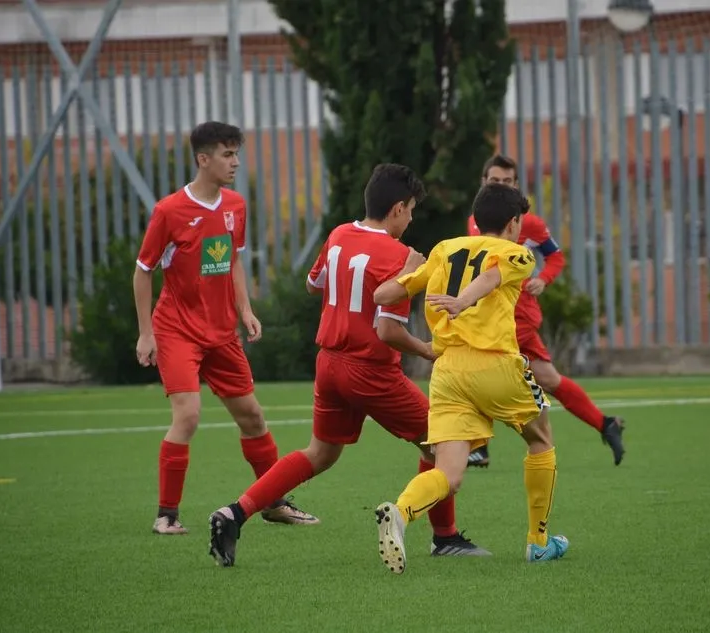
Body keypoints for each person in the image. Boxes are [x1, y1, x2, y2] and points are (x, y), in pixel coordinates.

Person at [207, 163, 490, 566]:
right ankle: (444, 536)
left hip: (328, 364)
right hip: (370, 370)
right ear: (396, 208)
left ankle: (234, 514)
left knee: (320, 453)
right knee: (442, 438)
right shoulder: (399, 257)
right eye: (410, 210)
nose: (410, 219)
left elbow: (312, 284)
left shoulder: (340, 233)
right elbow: (388, 332)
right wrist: (427, 349)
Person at [372, 183, 569, 575]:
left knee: (448, 472)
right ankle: (539, 543)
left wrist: (397, 281)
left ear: (477, 220)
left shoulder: (445, 249)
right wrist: (463, 301)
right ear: (515, 223)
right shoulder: (516, 253)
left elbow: (385, 294)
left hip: (447, 372)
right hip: (495, 364)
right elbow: (492, 278)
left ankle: (401, 512)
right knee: (541, 439)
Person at [134, 121, 318, 534]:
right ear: (203, 159)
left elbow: (232, 259)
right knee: (189, 415)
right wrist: (146, 333)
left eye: (236, 153)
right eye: (227, 154)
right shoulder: (169, 211)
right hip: (176, 330)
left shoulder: (235, 205)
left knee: (253, 417)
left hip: (221, 333)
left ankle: (273, 502)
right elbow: (142, 272)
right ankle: (167, 515)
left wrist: (246, 310)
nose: (235, 162)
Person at [465, 154, 625, 469]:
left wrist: (542, 279)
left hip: (517, 317)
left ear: (516, 185)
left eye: (507, 182)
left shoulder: (528, 223)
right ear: (484, 183)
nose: (501, 187)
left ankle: (482, 446)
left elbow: (556, 258)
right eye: (495, 181)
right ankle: (604, 424)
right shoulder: (475, 220)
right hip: (489, 315)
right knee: (499, 371)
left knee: (519, 374)